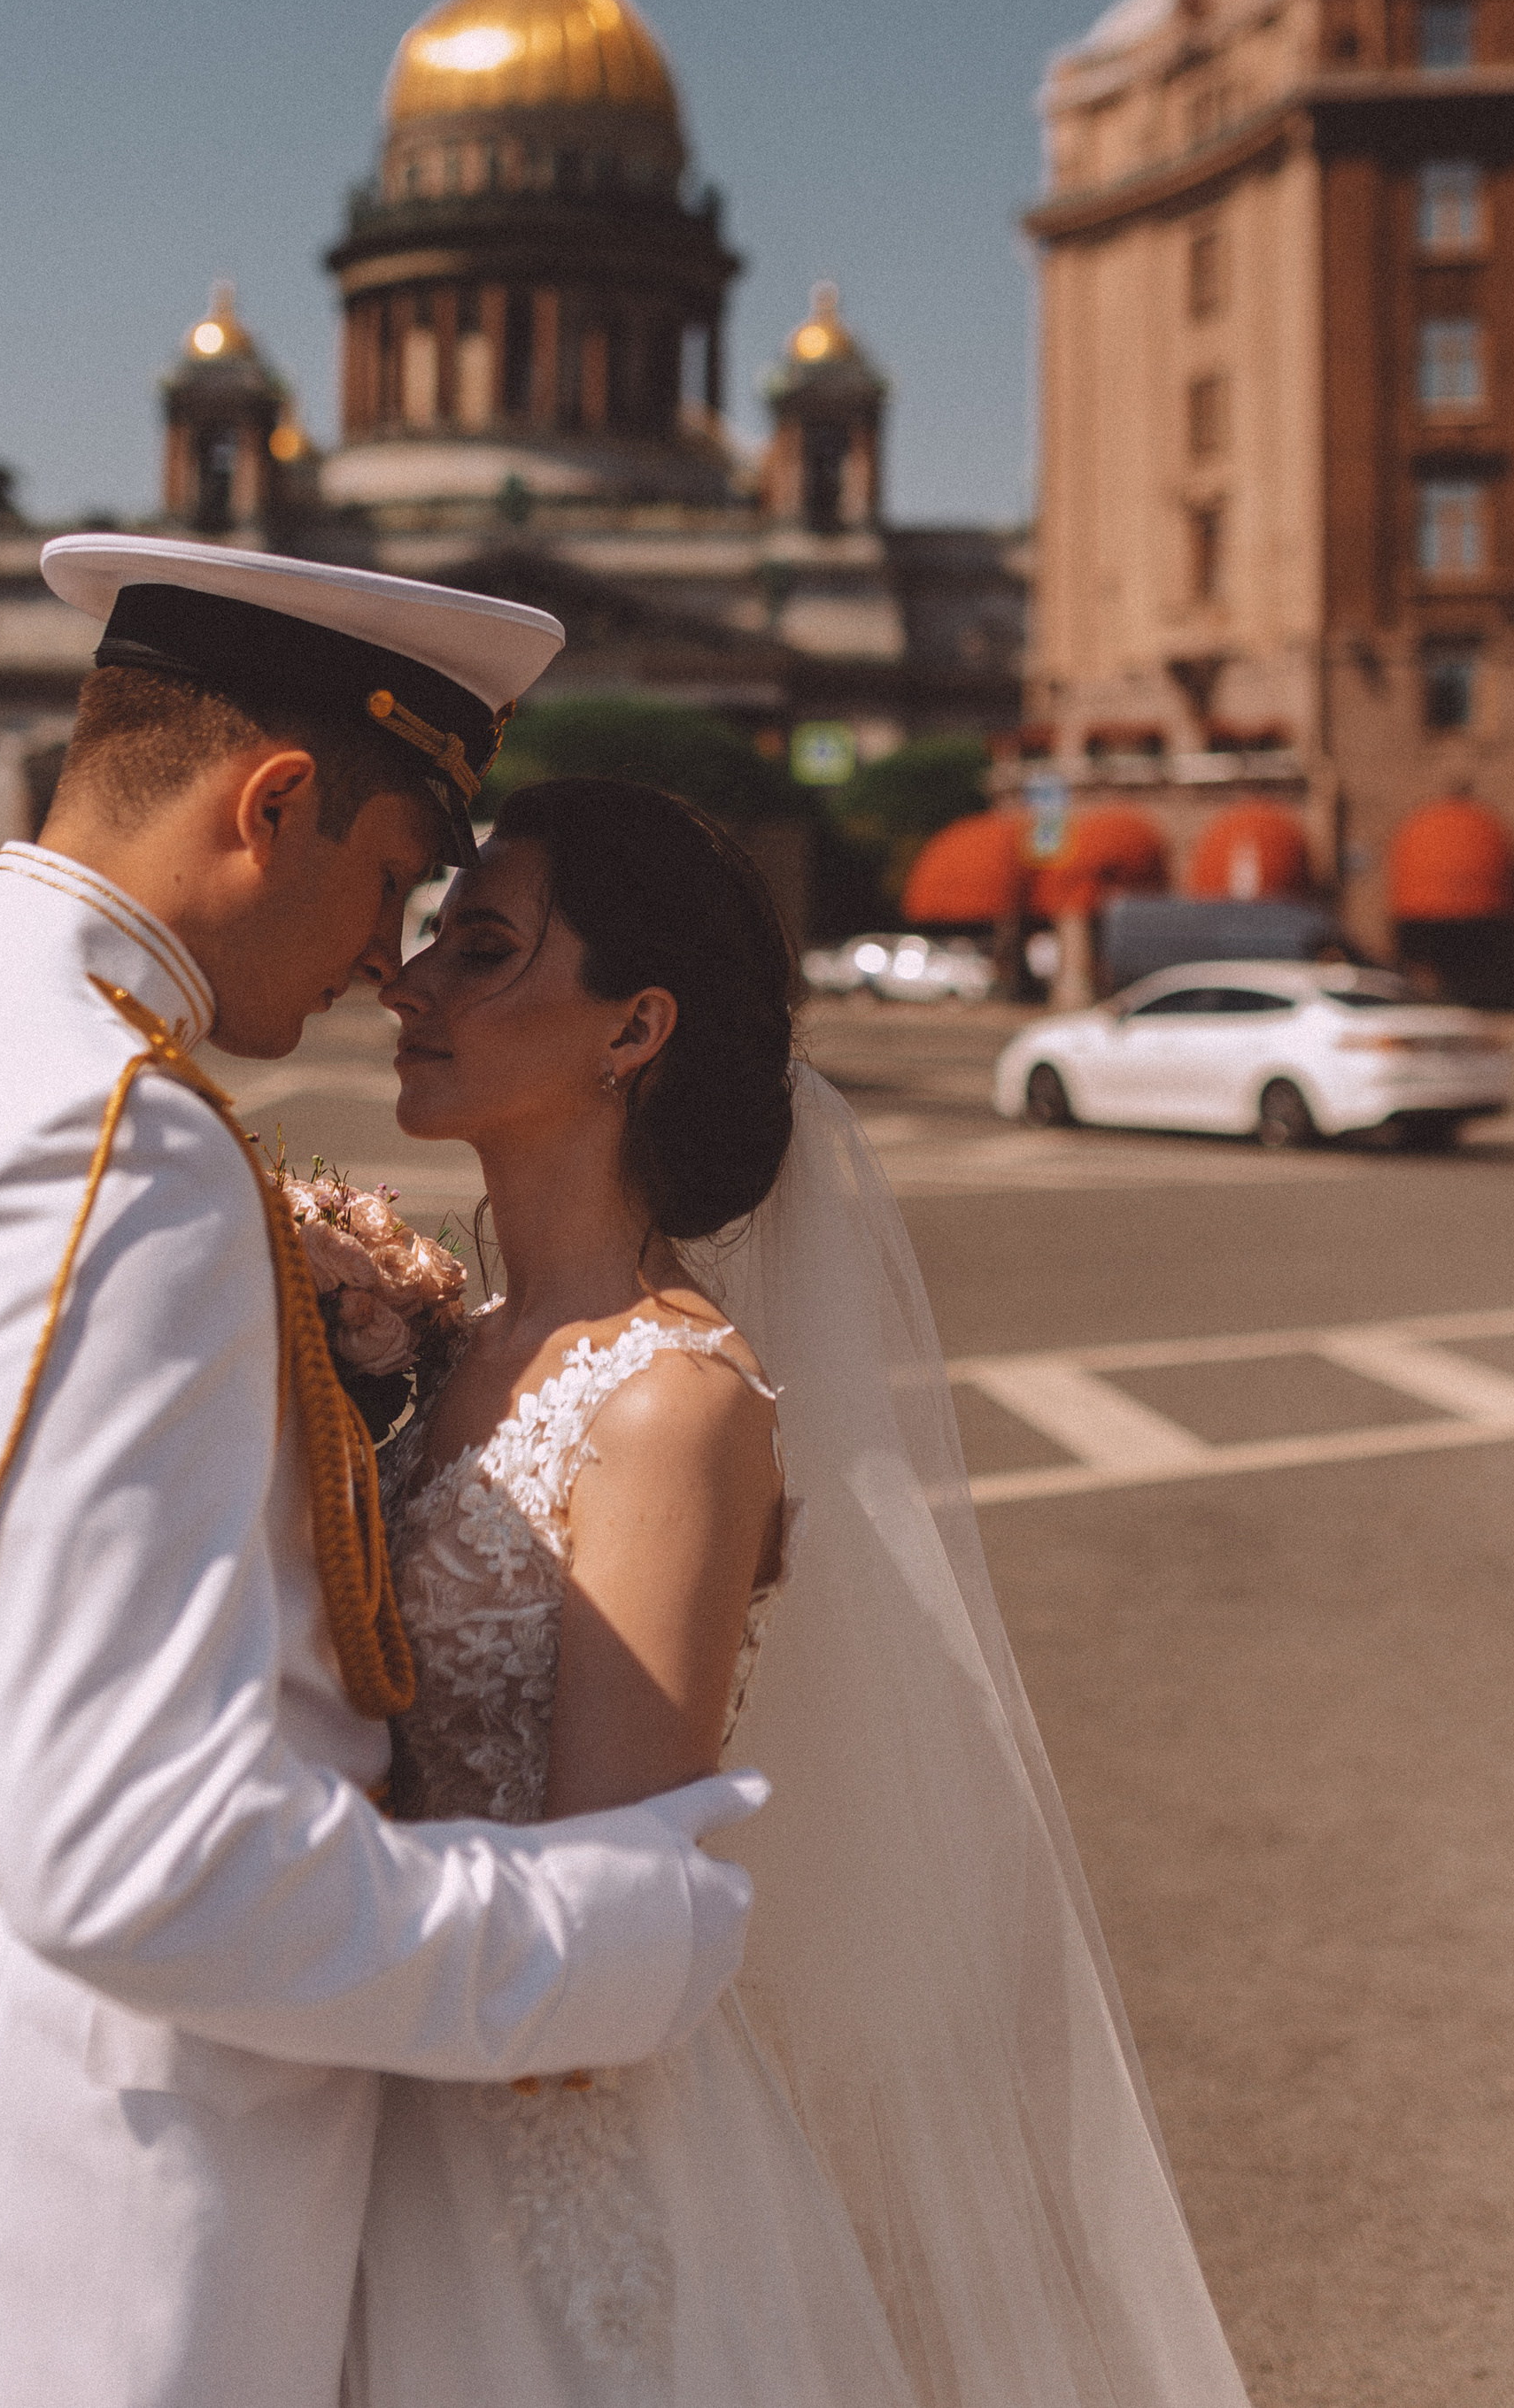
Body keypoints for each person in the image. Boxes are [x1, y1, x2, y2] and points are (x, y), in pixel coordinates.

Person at [0, 541, 765, 2408]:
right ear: (273, 805)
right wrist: (612, 1938)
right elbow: (138, 1855)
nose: (385, 961)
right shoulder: (110, 1143)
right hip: (79, 2186)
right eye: (392, 881)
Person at [345, 777, 1255, 2408]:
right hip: (373, 2100)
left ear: (634, 1029)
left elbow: (610, 1895)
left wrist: (248, 1903)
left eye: (480, 948)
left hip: (537, 2148)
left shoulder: (669, 1403)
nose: (409, 983)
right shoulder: (448, 1348)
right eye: (429, 940)